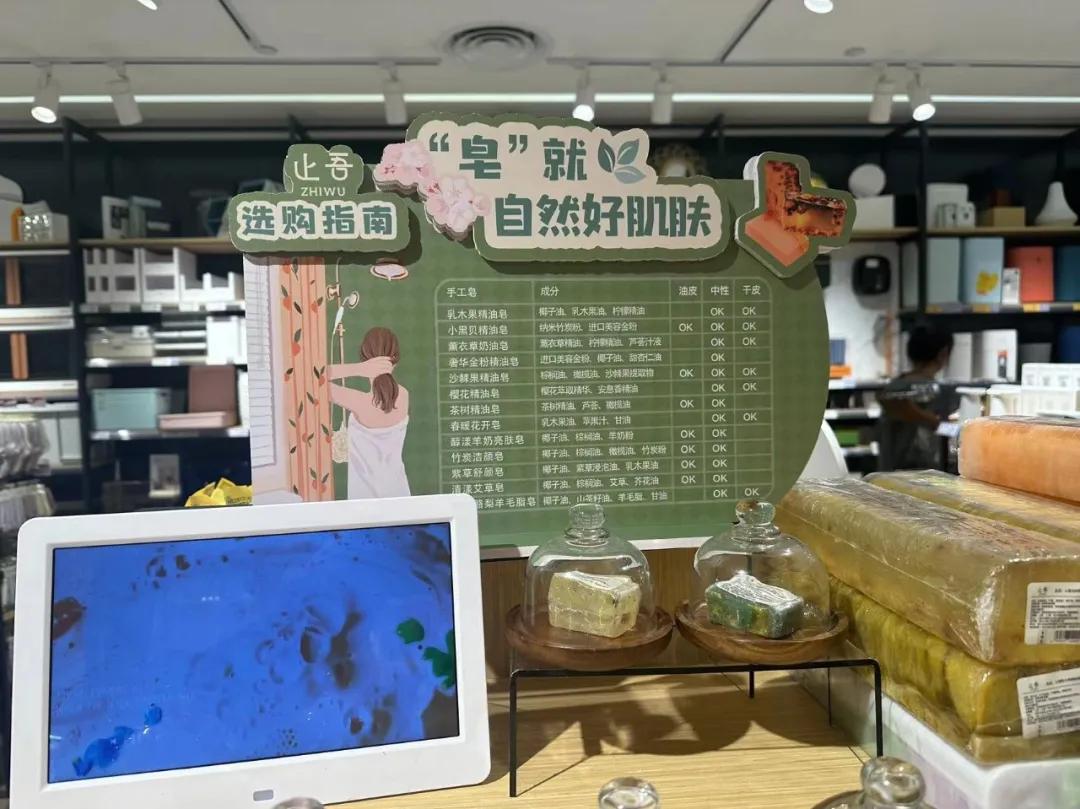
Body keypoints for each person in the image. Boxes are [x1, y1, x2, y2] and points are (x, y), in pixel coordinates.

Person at [328, 326, 411, 499]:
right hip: (400, 495)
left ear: (363, 358)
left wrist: (357, 368)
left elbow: (314, 378)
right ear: (395, 361)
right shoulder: (404, 395)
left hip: (364, 500)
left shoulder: (359, 402)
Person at [878, 325, 958, 471]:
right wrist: (957, 430)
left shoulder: (892, 387)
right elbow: (946, 431)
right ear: (943, 353)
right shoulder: (938, 392)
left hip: (888, 474)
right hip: (922, 475)